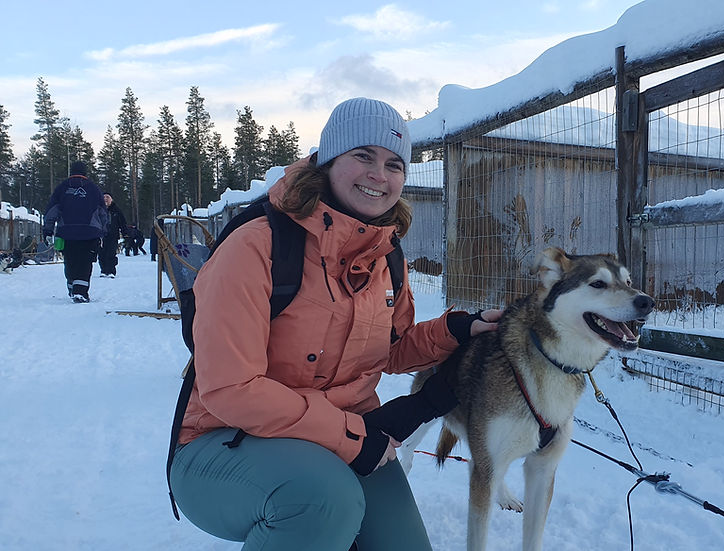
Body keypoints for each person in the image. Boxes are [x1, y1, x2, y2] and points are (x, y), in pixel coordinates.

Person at [169, 97, 502, 551]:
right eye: (362, 156)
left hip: (347, 434)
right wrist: (350, 436)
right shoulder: (257, 246)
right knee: (324, 501)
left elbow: (393, 349)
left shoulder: (387, 257)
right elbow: (231, 388)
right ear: (328, 160)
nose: (378, 176)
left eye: (393, 164)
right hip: (221, 446)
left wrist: (457, 330)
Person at [42, 161, 108, 302]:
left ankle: (72, 286)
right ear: (85, 173)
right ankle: (81, 291)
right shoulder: (93, 189)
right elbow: (103, 212)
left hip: (67, 233)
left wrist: (48, 230)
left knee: (70, 260)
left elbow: (51, 211)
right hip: (90, 233)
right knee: (85, 262)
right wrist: (104, 230)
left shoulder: (62, 188)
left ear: (71, 172)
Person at [98, 193, 127, 277]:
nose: (105, 199)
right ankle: (103, 270)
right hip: (101, 236)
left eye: (107, 197)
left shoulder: (116, 210)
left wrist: (125, 234)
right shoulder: (98, 209)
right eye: (103, 197)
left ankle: (111, 270)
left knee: (111, 253)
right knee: (101, 254)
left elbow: (122, 223)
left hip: (113, 235)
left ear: (111, 199)